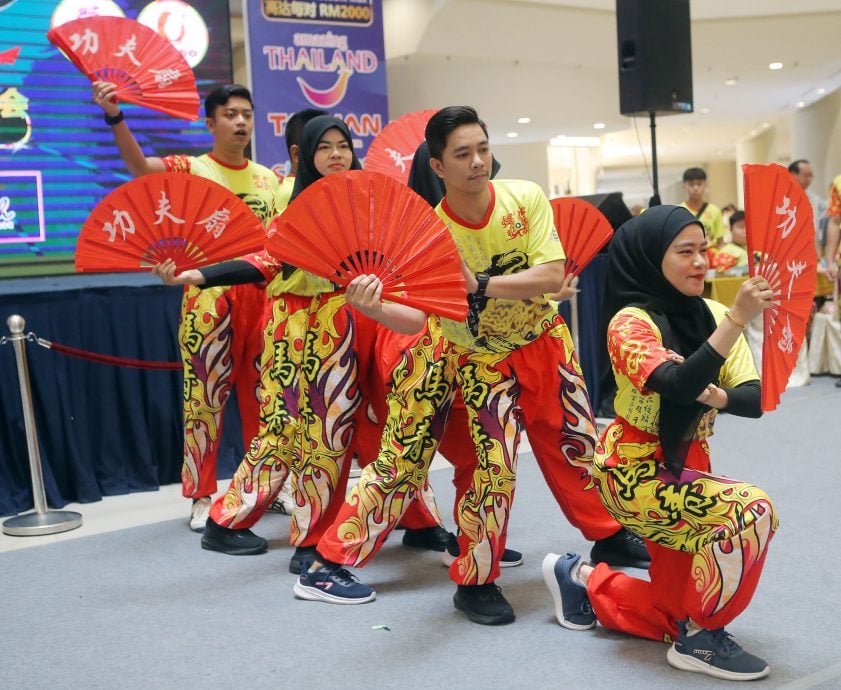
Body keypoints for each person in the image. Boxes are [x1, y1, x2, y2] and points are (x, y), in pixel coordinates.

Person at [297, 106, 648, 622]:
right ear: (437, 167)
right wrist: (371, 305)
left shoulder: (524, 198)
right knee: (490, 469)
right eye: (462, 154)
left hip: (544, 340)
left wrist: (479, 284)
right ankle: (470, 579)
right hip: (476, 358)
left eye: (483, 149)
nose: (478, 162)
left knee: (578, 443)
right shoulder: (427, 234)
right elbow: (417, 317)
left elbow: (552, 275)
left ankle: (610, 534)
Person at [542, 205, 778, 681]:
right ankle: (702, 639)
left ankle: (583, 579)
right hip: (635, 471)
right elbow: (673, 382)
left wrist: (717, 393)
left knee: (674, 609)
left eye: (704, 250)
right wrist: (735, 322)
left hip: (690, 463)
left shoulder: (710, 311)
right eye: (684, 252)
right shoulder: (629, 323)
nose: (700, 262)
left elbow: (753, 398)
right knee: (751, 512)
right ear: (653, 257)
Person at [92, 82, 280, 532]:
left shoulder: (269, 179)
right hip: (208, 299)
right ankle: (201, 494)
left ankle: (264, 487)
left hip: (263, 299)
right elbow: (140, 168)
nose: (241, 122)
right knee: (204, 403)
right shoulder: (190, 167)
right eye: (231, 114)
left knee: (267, 400)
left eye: (247, 114)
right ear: (210, 123)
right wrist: (116, 117)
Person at [680, 167, 726, 248]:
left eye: (699, 184)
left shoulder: (715, 211)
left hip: (711, 254)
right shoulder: (679, 211)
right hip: (687, 254)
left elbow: (720, 242)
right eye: (691, 184)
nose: (695, 188)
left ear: (706, 185)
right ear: (684, 186)